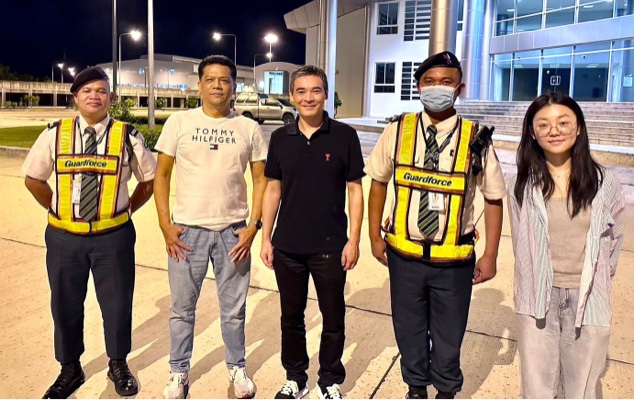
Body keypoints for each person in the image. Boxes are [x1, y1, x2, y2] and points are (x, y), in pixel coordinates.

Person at [365, 51, 506, 399]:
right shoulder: (398, 130)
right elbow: (378, 182)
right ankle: (416, 387)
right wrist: (374, 236)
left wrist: (490, 255)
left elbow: (493, 198)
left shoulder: (476, 138)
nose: (437, 88)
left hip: (453, 261)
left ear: (460, 88)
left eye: (445, 82)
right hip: (404, 255)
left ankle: (446, 390)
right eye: (429, 82)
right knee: (408, 329)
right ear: (418, 87)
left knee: (449, 334)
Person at [22, 66, 157, 398]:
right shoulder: (54, 134)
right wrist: (57, 207)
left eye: (101, 91)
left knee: (117, 303)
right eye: (86, 91)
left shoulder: (127, 135)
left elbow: (149, 181)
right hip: (64, 237)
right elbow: (33, 179)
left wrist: (126, 209)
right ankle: (70, 368)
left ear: (112, 97)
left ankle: (118, 363)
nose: (94, 96)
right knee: (65, 304)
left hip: (114, 236)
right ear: (75, 97)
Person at [154, 55, 267, 399]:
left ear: (234, 86)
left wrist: (254, 225)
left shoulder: (248, 128)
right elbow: (161, 175)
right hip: (187, 233)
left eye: (224, 80)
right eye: (211, 79)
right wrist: (165, 224)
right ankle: (178, 371)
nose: (218, 85)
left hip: (233, 233)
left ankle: (236, 367)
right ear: (199, 85)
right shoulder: (179, 122)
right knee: (182, 310)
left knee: (233, 310)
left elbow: (261, 180)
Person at [508, 92, 625, 398]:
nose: (554, 131)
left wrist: (601, 279)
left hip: (588, 296)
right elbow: (521, 243)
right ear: (533, 133)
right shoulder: (522, 184)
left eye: (563, 122)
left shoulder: (604, 183)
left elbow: (615, 239)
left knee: (581, 387)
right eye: (543, 125)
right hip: (538, 297)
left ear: (578, 127)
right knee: (536, 388)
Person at [260, 65, 365, 400]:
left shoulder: (345, 136)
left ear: (326, 94)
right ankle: (295, 378)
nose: (309, 97)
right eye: (301, 91)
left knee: (333, 317)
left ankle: (330, 380)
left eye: (316, 90)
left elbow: (355, 191)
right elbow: (273, 189)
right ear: (292, 96)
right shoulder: (280, 138)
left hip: (330, 247)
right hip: (287, 247)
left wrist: (354, 240)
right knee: (291, 317)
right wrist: (266, 237)